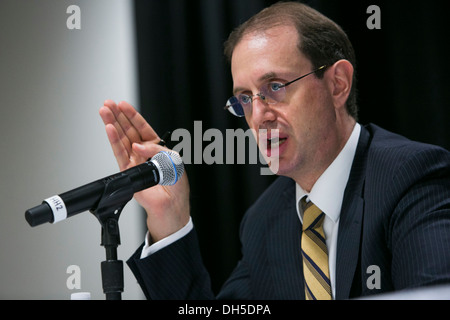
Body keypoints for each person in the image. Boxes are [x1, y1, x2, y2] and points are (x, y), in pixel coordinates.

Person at [99, 2, 450, 300]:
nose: (259, 115)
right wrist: (170, 217)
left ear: (337, 84)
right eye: (245, 99)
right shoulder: (265, 221)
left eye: (275, 86)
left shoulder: (410, 177)